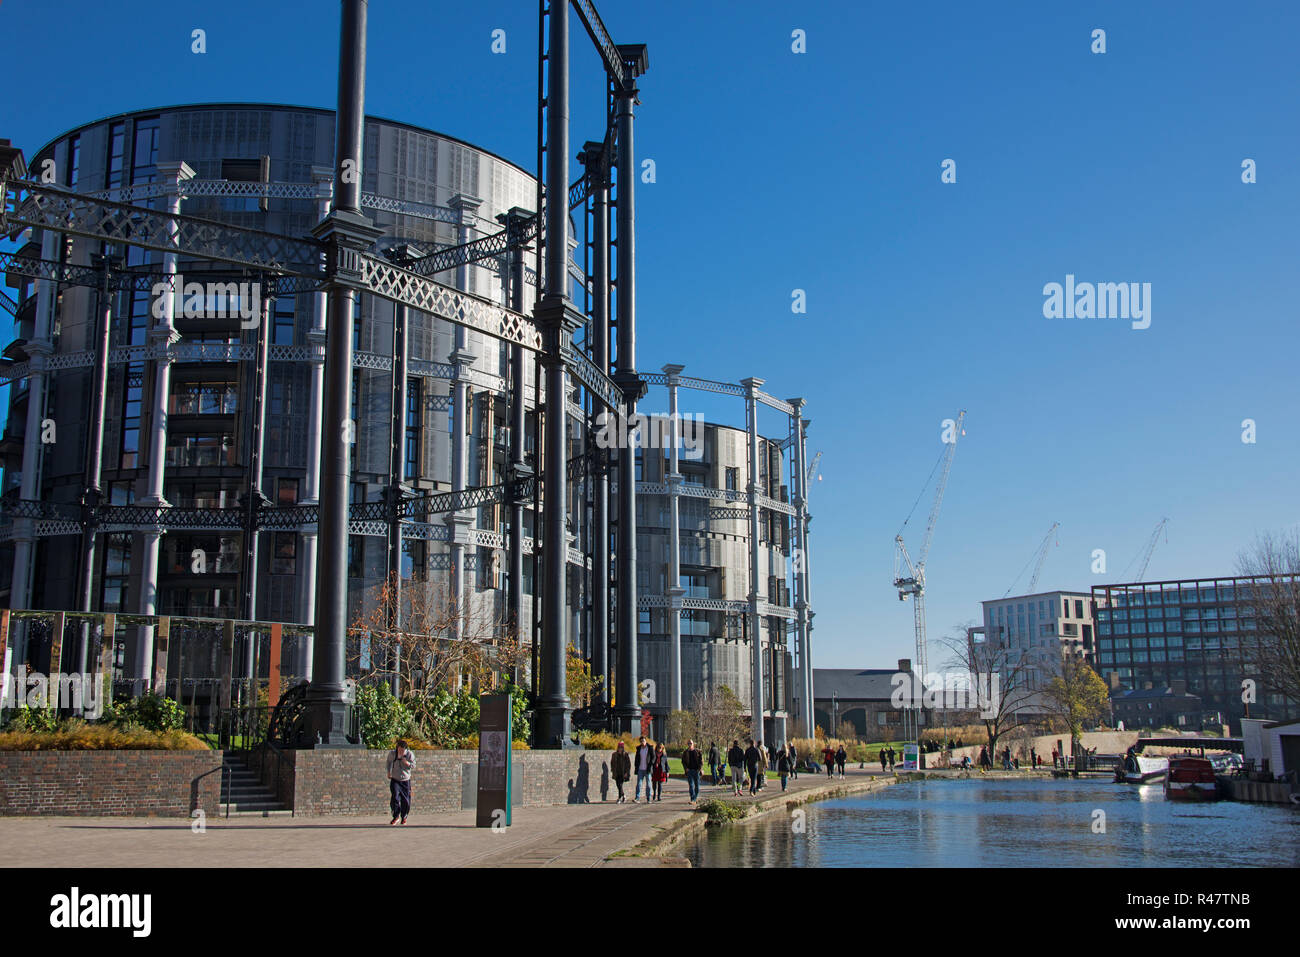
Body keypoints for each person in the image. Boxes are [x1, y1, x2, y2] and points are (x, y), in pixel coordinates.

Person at [386, 739, 416, 825]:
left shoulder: (409, 754)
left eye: (402, 750)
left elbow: (414, 765)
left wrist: (407, 763)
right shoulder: (393, 754)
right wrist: (389, 772)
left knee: (405, 800)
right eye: (399, 749)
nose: (400, 751)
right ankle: (396, 816)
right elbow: (388, 762)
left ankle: (404, 816)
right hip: (395, 779)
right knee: (395, 797)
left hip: (405, 780)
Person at [634, 736, 655, 803]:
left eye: (643, 741)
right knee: (639, 784)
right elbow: (637, 758)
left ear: (646, 741)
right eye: (641, 741)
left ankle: (648, 798)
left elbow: (653, 757)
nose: (643, 742)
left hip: (647, 769)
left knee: (648, 784)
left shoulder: (650, 748)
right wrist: (636, 765)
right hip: (640, 768)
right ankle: (637, 798)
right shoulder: (639, 749)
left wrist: (651, 764)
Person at [683, 739, 704, 804]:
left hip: (696, 770)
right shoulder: (685, 752)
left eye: (691, 743)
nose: (689, 745)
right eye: (688, 743)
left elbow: (701, 761)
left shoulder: (697, 751)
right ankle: (693, 799)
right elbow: (683, 761)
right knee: (691, 786)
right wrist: (686, 768)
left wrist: (699, 769)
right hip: (689, 771)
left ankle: (695, 798)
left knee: (697, 786)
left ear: (693, 744)